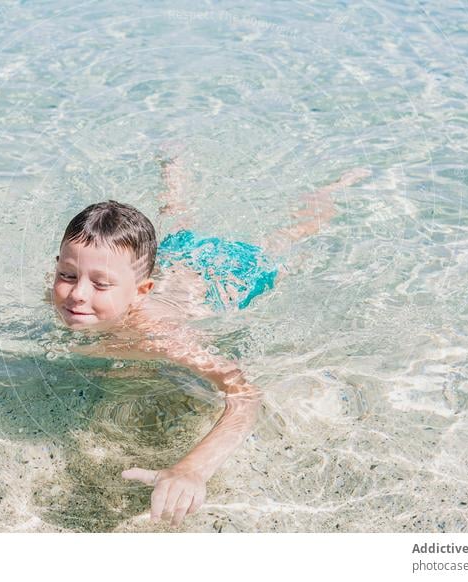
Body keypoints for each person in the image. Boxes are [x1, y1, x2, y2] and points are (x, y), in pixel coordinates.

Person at [50, 151, 370, 527]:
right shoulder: (66, 291)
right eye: (67, 275)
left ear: (141, 291)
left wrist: (193, 469)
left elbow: (244, 394)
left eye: (101, 284)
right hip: (177, 263)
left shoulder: (161, 337)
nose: (77, 295)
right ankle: (174, 167)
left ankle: (335, 188)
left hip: (231, 277)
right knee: (179, 224)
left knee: (284, 243)